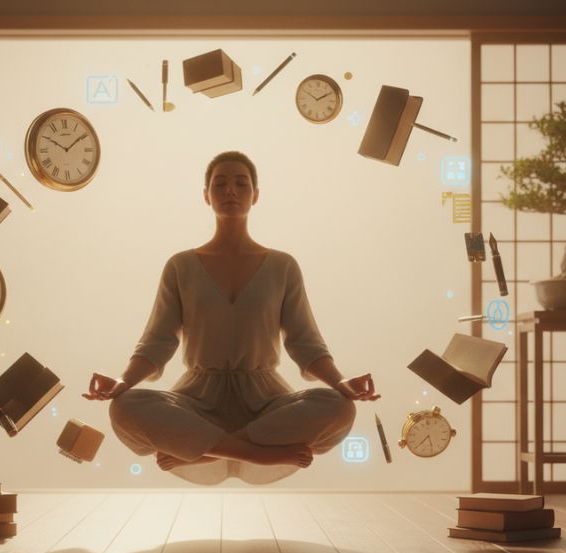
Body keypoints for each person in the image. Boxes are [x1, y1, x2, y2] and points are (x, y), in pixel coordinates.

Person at [83, 151, 380, 485]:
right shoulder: (180, 266)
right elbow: (157, 341)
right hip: (196, 405)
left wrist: (341, 384)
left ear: (256, 195)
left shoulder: (283, 266)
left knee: (340, 407)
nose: (230, 191)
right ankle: (252, 452)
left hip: (266, 407)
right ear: (206, 195)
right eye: (220, 184)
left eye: (241, 183)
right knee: (124, 407)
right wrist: (122, 383)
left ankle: (207, 450)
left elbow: (305, 342)